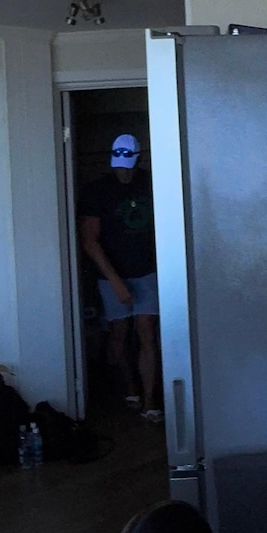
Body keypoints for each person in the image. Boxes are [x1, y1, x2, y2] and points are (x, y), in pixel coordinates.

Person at [80, 131, 163, 420]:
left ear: (138, 160)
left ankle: (150, 401)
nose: (123, 171)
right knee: (119, 333)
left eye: (128, 165)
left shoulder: (152, 182)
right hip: (110, 273)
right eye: (118, 165)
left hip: (147, 270)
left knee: (147, 333)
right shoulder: (97, 190)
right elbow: (89, 240)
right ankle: (130, 387)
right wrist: (115, 281)